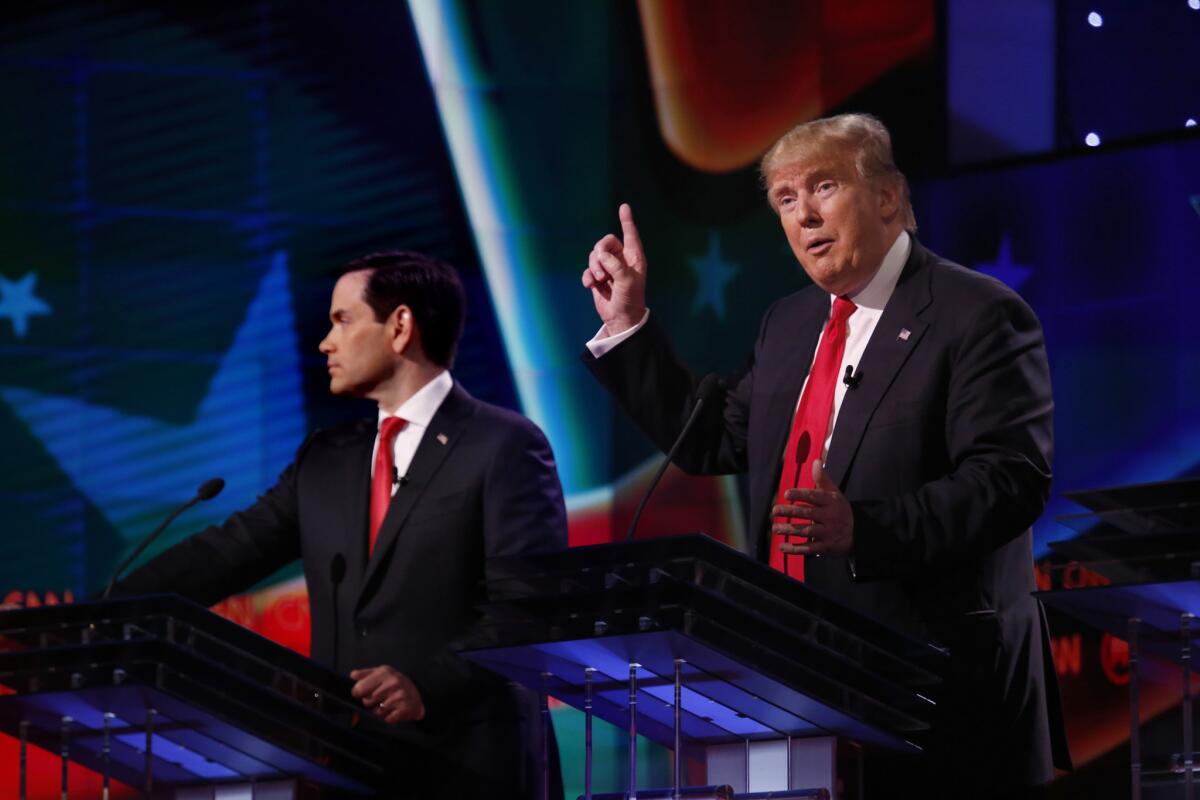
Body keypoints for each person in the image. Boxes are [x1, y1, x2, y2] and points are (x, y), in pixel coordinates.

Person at [580, 114, 1070, 796]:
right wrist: (627, 324)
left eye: (824, 186)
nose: (804, 214)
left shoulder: (978, 314)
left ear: (889, 198)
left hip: (936, 688)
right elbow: (714, 436)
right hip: (794, 676)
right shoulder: (791, 322)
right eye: (785, 199)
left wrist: (865, 531)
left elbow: (1010, 480)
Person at [112, 251, 568, 798]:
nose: (325, 343)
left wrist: (428, 684)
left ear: (400, 327)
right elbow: (226, 552)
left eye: (342, 320)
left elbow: (530, 607)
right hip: (342, 767)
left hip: (467, 768)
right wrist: (91, 617)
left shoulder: (503, 445)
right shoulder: (327, 458)